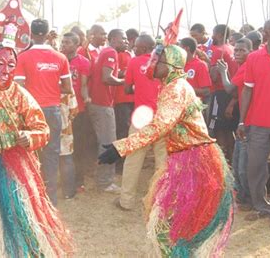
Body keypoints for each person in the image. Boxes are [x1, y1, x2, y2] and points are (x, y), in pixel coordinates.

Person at [99, 43, 234, 257]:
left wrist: (121, 147)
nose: (151, 64)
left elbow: (161, 125)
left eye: (156, 60)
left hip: (194, 161)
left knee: (173, 224)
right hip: (183, 157)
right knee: (170, 222)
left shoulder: (175, 88)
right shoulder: (170, 84)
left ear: (170, 64)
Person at [0, 42, 74, 256]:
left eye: (11, 65)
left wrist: (30, 137)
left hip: (13, 168)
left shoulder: (20, 94)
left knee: (17, 219)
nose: (5, 70)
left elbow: (42, 129)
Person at [237, 18, 270, 229]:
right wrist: (242, 120)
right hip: (257, 125)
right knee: (255, 168)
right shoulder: (253, 58)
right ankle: (261, 206)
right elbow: (248, 89)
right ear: (269, 32)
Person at [14, 18, 73, 205]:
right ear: (48, 35)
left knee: (29, 154)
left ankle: (32, 199)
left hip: (30, 113)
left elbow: (19, 88)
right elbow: (68, 88)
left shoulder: (22, 57)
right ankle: (50, 200)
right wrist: (51, 87)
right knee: (51, 155)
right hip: (53, 111)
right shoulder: (60, 58)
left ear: (30, 34)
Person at [116, 34, 166, 211]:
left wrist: (139, 86)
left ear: (144, 48)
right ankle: (161, 203)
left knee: (133, 159)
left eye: (136, 46)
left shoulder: (135, 62)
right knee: (163, 161)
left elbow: (127, 88)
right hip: (163, 116)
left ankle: (126, 200)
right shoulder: (164, 62)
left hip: (142, 116)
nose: (133, 47)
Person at [217, 38, 253, 211]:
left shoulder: (248, 67)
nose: (237, 53)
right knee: (239, 161)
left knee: (244, 165)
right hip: (243, 120)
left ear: (250, 51)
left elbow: (230, 88)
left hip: (250, 121)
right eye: (236, 50)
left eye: (242, 50)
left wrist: (223, 72)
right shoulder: (242, 67)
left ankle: (249, 198)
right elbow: (238, 92)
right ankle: (242, 197)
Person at [88, 29, 125, 193]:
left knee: (104, 142)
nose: (126, 42)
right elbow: (107, 78)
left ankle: (102, 179)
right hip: (102, 104)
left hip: (99, 103)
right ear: (114, 39)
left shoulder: (105, 52)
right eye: (123, 39)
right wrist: (126, 81)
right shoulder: (111, 52)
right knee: (108, 143)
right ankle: (104, 182)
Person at [60, 32, 91, 192]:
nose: (63, 44)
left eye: (67, 42)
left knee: (78, 146)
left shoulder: (83, 62)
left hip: (77, 109)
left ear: (76, 45)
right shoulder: (58, 59)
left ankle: (79, 180)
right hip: (61, 109)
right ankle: (64, 179)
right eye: (62, 42)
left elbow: (84, 84)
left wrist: (86, 98)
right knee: (62, 145)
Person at [208, 24, 239, 164]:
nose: (212, 36)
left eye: (213, 33)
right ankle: (232, 162)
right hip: (233, 92)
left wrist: (210, 67)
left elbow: (214, 78)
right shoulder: (233, 49)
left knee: (218, 130)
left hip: (220, 93)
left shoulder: (218, 51)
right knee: (229, 131)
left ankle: (223, 164)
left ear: (220, 35)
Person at [180, 37, 212, 102]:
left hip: (192, 107)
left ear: (186, 48)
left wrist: (184, 89)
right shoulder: (177, 64)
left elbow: (206, 91)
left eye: (180, 48)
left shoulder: (200, 65)